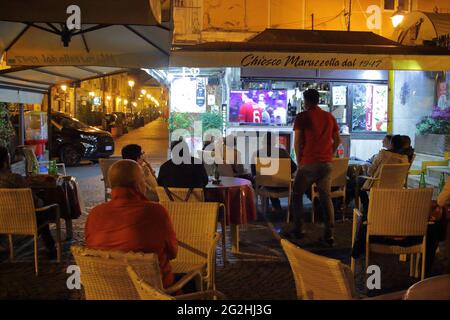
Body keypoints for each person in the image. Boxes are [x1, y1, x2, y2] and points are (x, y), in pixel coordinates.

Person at [85, 160, 177, 288]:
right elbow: (173, 253)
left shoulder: (94, 214)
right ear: (138, 185)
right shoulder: (155, 212)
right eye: (143, 181)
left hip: (108, 290)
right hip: (152, 291)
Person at [287, 89, 341, 245]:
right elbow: (337, 140)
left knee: (297, 194)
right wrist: (330, 153)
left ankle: (299, 229)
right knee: (326, 197)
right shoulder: (329, 117)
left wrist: (299, 161)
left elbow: (297, 142)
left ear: (306, 101)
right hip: (326, 164)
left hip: (309, 162)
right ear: (318, 100)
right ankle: (329, 234)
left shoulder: (302, 117)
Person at [0, 146, 56, 258]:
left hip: (3, 221)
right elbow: (34, 202)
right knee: (43, 210)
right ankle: (51, 248)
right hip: (25, 219)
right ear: (6, 162)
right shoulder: (16, 179)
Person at [358, 135, 409, 213]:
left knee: (358, 182)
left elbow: (370, 172)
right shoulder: (405, 158)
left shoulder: (383, 154)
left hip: (378, 185)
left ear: (391, 144)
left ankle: (367, 209)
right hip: (396, 187)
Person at [251, 132, 297, 212]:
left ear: (263, 142)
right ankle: (292, 211)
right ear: (275, 142)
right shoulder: (283, 152)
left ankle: (275, 206)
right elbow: (294, 168)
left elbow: (254, 173)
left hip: (266, 186)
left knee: (269, 180)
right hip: (284, 186)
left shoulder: (256, 154)